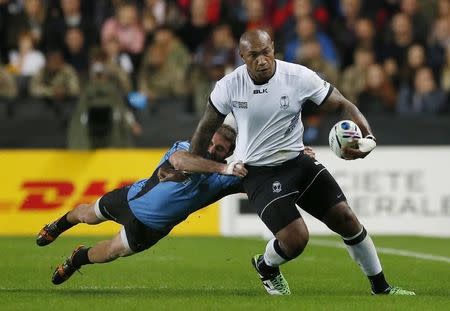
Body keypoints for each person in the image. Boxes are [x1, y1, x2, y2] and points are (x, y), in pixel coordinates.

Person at [189, 29, 415, 296]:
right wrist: (196, 163)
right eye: (253, 56)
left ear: (273, 47)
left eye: (266, 52)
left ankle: (382, 288)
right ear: (242, 57)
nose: (262, 60)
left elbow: (343, 103)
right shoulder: (229, 86)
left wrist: (368, 137)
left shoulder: (297, 76)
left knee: (346, 218)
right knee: (296, 240)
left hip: (298, 161)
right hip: (259, 171)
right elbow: (205, 130)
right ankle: (266, 266)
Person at [36, 125, 248, 285]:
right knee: (87, 216)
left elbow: (254, 175)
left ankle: (77, 259)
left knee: (112, 252)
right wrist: (222, 168)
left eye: (219, 149)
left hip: (150, 228)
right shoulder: (185, 148)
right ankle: (59, 225)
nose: (212, 149)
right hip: (130, 199)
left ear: (228, 154)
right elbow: (181, 163)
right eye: (210, 143)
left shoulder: (223, 179)